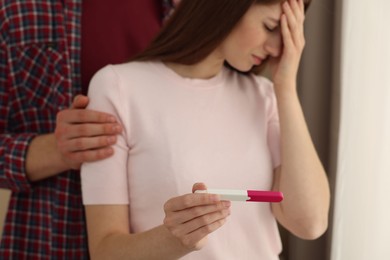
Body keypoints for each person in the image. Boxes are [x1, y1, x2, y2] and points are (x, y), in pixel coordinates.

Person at [81, 0, 331, 259]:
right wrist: (175, 238)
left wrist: (286, 87)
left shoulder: (265, 97)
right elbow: (105, 250)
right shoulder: (118, 88)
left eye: (288, 32)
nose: (277, 47)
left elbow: (310, 223)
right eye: (270, 27)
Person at [0, 0, 175, 258]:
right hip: (53, 238)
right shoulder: (17, 8)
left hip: (168, 235)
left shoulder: (188, 10)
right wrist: (55, 150)